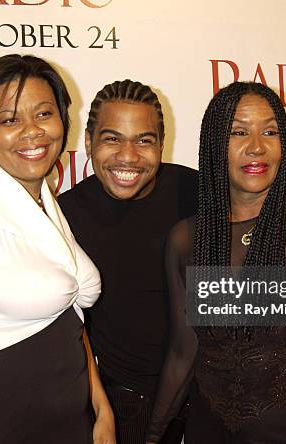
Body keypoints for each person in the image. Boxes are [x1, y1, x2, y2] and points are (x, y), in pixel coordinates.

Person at [146, 81, 286, 444]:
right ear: (215, 144)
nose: (257, 147)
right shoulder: (186, 239)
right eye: (238, 132)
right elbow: (182, 352)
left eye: (270, 131)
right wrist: (153, 434)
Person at [0, 54, 114, 444]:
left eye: (44, 113)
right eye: (10, 120)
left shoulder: (46, 199)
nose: (32, 131)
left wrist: (101, 409)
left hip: (74, 424)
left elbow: (70, 320)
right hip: (2, 423)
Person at [58, 79, 197, 444]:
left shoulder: (200, 194)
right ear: (88, 142)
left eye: (143, 140)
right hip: (126, 407)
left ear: (161, 145)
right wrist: (101, 407)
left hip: (209, 402)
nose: (128, 156)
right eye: (112, 138)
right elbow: (68, 330)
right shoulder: (65, 217)